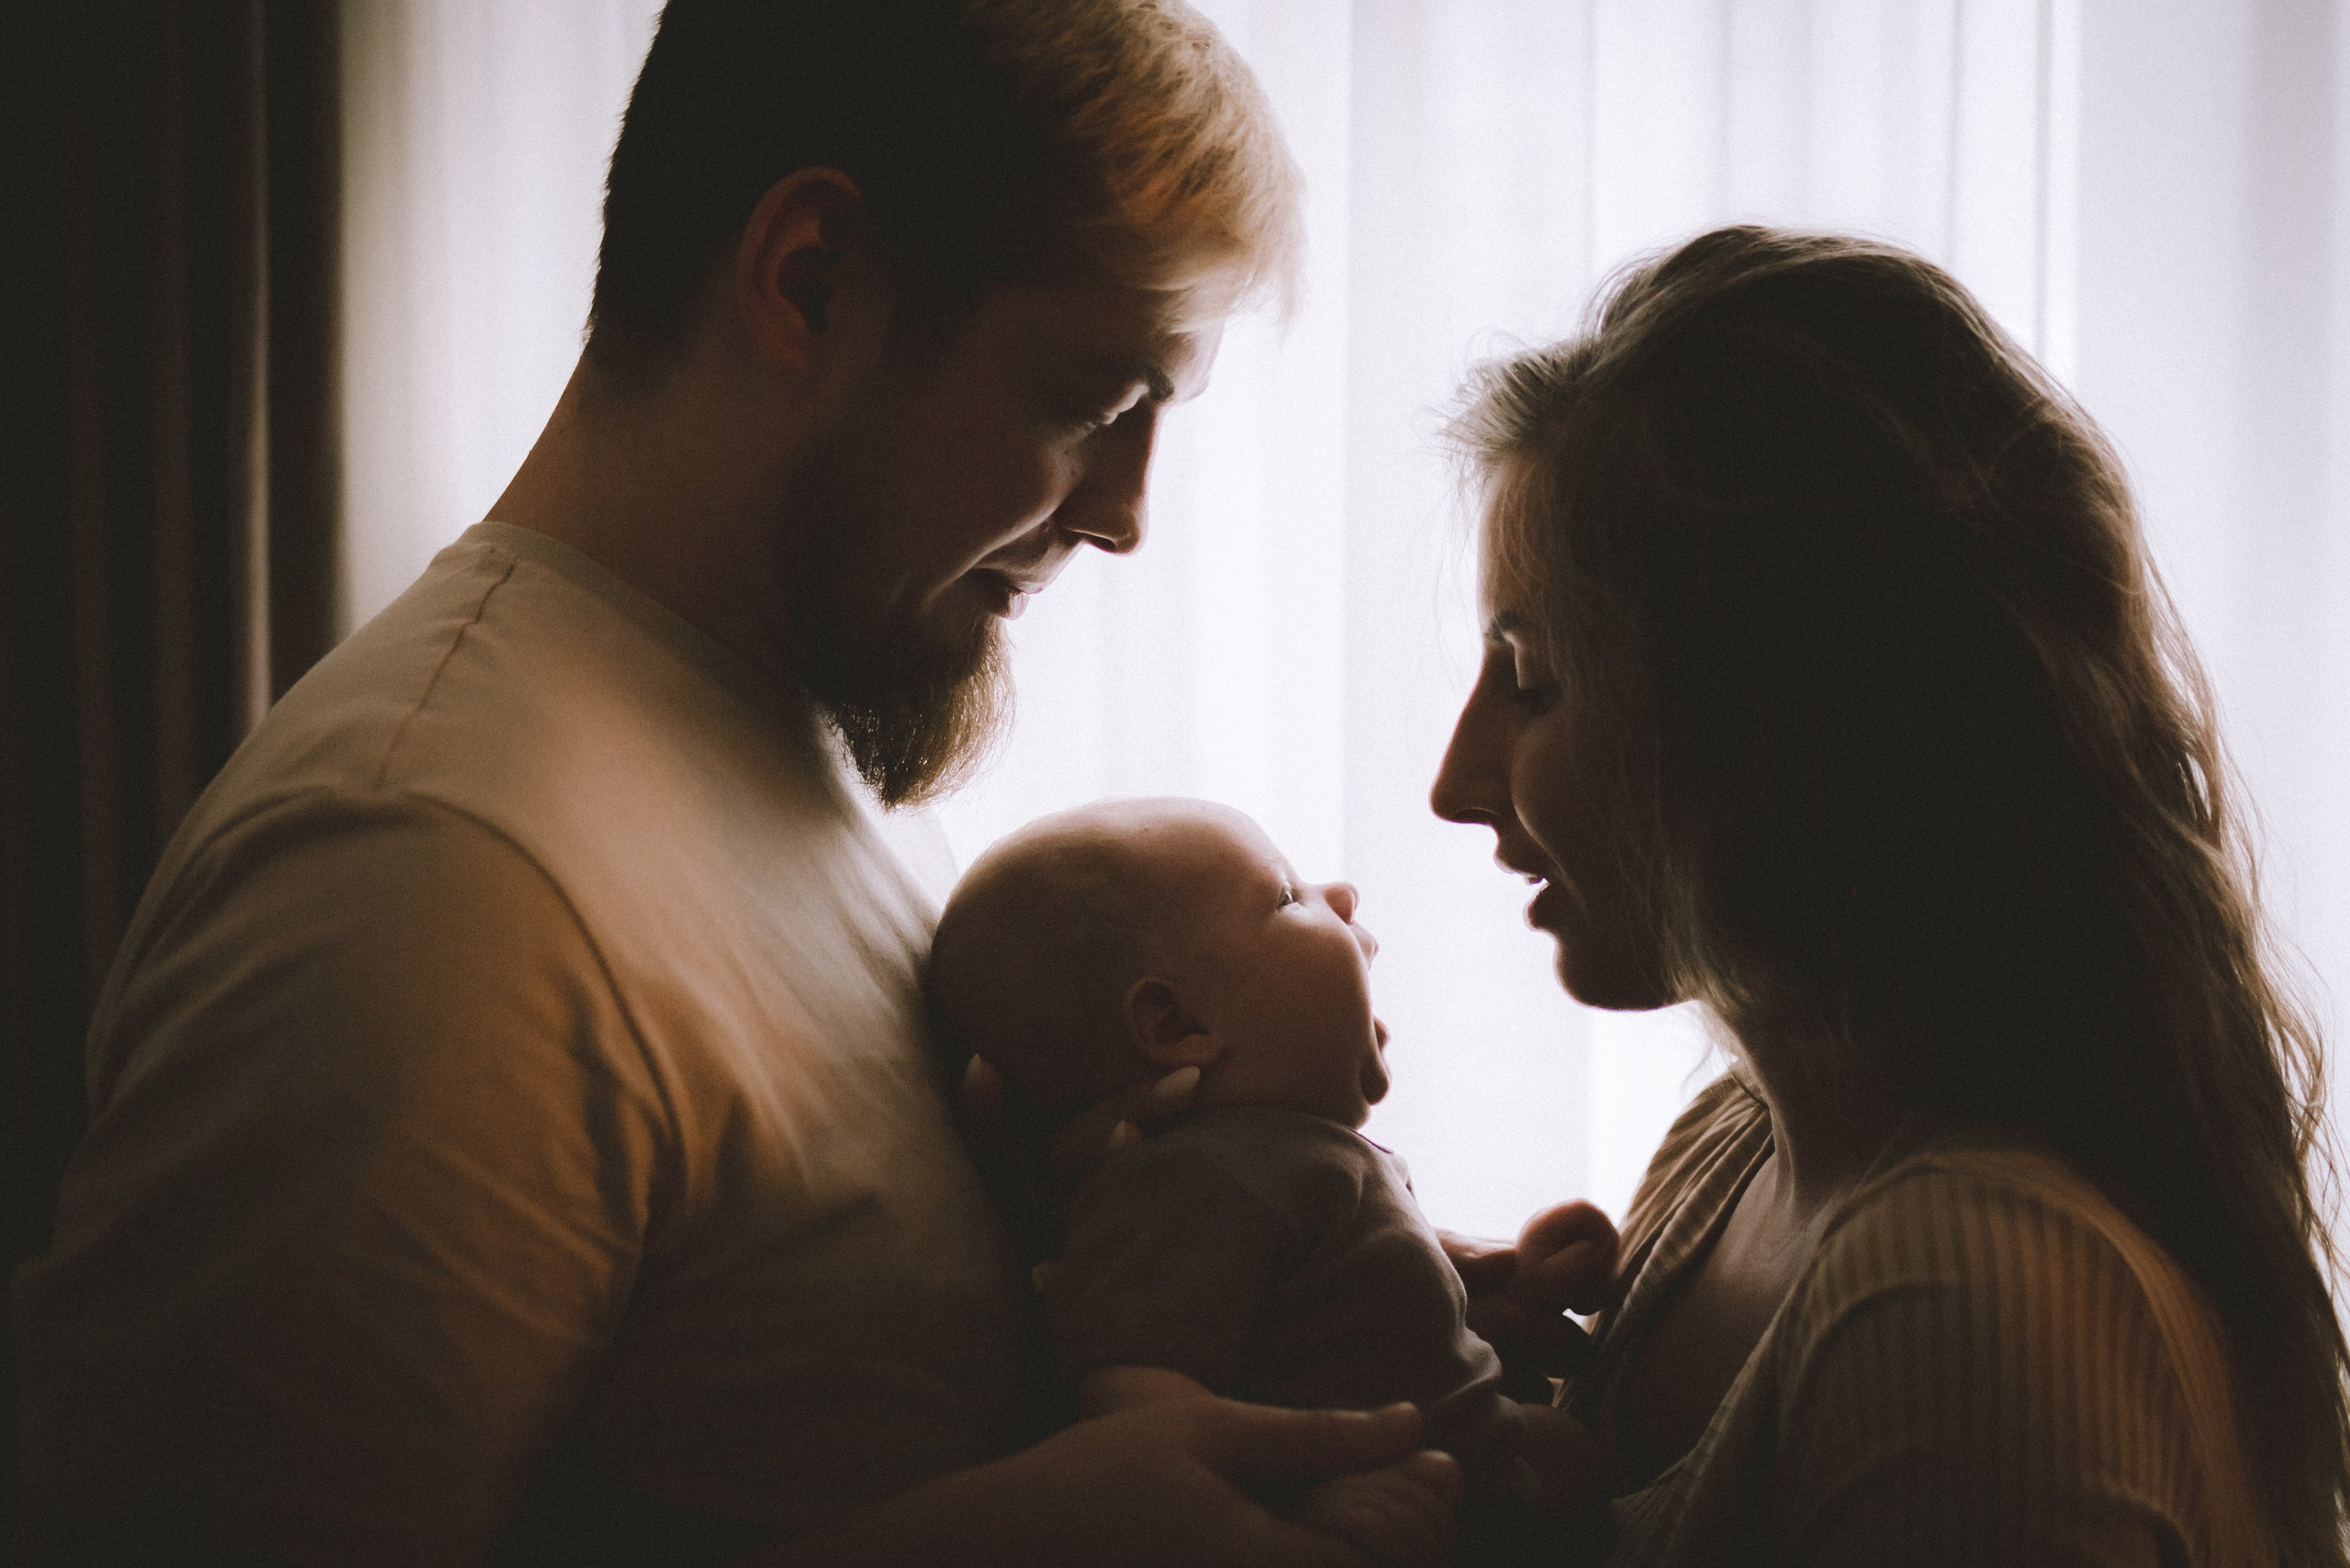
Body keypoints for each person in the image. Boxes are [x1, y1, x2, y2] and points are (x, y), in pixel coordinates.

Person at [11, 3, 1463, 1564]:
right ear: (809, 280)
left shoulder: (768, 740)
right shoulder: (431, 871)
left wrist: (1301, 1299)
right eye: (1096, 401)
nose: (1123, 516)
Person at [1429, 225, 2350, 1565]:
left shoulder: (1969, 1286)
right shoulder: (1734, 1151)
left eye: (1534, 681)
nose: (1456, 784)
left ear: (1775, 714)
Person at [925, 797, 1617, 1551]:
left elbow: (1347, 1322)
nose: (1343, 896)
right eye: (1287, 897)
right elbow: (1136, 1395)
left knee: (1576, 1455)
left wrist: (1501, 1289)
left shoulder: (1288, 1158)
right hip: (1389, 1491)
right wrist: (1291, 1509)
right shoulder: (1185, 1182)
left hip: (1471, 1461)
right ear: (1177, 1026)